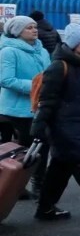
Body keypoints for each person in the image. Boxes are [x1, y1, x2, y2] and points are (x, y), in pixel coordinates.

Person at [31, 23, 80, 220]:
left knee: (60, 168)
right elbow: (47, 100)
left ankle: (45, 208)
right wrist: (39, 124)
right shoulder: (58, 67)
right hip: (63, 127)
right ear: (73, 45)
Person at [0, 15, 52, 200]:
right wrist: (35, 87)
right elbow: (6, 80)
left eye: (35, 26)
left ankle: (36, 183)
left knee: (39, 146)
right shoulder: (8, 51)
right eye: (29, 28)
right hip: (17, 109)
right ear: (17, 32)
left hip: (39, 106)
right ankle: (18, 183)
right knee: (26, 147)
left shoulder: (41, 50)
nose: (34, 30)